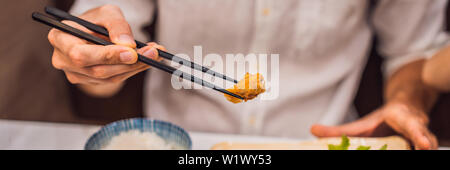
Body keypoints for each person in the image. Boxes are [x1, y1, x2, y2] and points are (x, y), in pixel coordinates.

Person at [47, 0, 449, 149]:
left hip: (315, 139)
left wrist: (406, 102)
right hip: (184, 144)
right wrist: (95, 56)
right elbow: (109, 19)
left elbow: (413, 50)